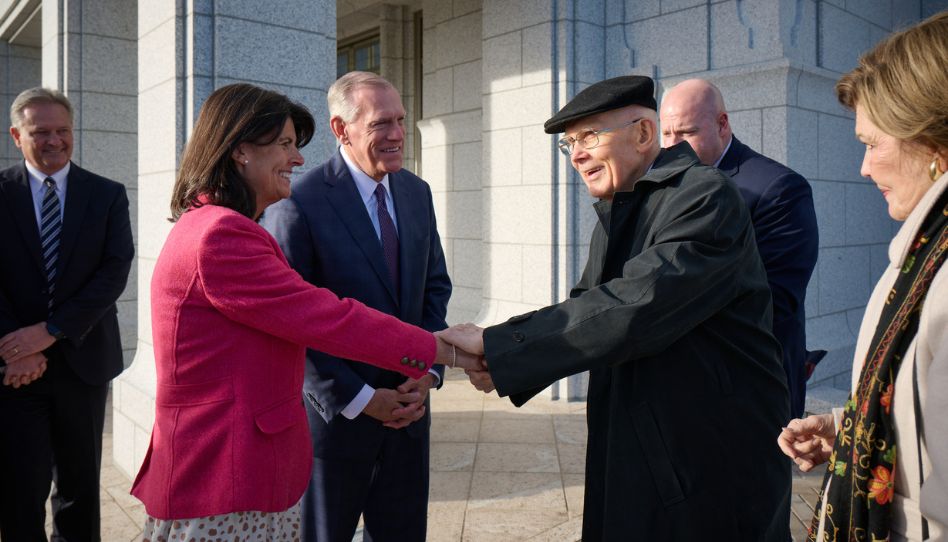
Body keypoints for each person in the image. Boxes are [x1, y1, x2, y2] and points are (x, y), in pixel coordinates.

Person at [442, 75, 791, 541]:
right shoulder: (623, 206)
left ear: (644, 134)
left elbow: (636, 305)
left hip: (705, 459)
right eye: (570, 145)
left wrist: (501, 347)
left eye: (589, 137)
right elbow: (589, 308)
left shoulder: (705, 197)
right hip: (648, 446)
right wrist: (502, 357)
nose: (578, 154)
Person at [130, 83, 477, 540]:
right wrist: (451, 353)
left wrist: (428, 369)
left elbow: (430, 285)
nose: (297, 159)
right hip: (225, 478)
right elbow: (326, 319)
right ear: (240, 152)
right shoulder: (223, 237)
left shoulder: (215, 225)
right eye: (286, 144)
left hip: (242, 475)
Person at [777, 11, 948, 542]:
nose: (864, 168)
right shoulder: (927, 252)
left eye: (874, 144)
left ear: (934, 140)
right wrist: (854, 435)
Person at [261, 72, 450, 542]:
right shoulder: (297, 204)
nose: (398, 135)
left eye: (401, 121)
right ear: (341, 129)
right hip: (336, 427)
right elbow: (291, 324)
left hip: (410, 415)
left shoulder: (416, 193)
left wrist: (425, 374)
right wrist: (364, 400)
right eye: (382, 123)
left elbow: (434, 288)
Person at [0, 87, 134, 541]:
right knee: (20, 488)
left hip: (84, 363)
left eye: (63, 131)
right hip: (14, 370)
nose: (54, 141)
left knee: (79, 489)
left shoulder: (107, 195)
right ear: (17, 135)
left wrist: (52, 331)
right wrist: (16, 347)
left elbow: (114, 272)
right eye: (41, 132)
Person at [660, 79, 820, 418]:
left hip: (751, 385)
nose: (673, 147)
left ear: (722, 123)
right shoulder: (667, 184)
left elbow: (776, 299)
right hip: (686, 384)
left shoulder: (778, 189)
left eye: (686, 133)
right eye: (666, 134)